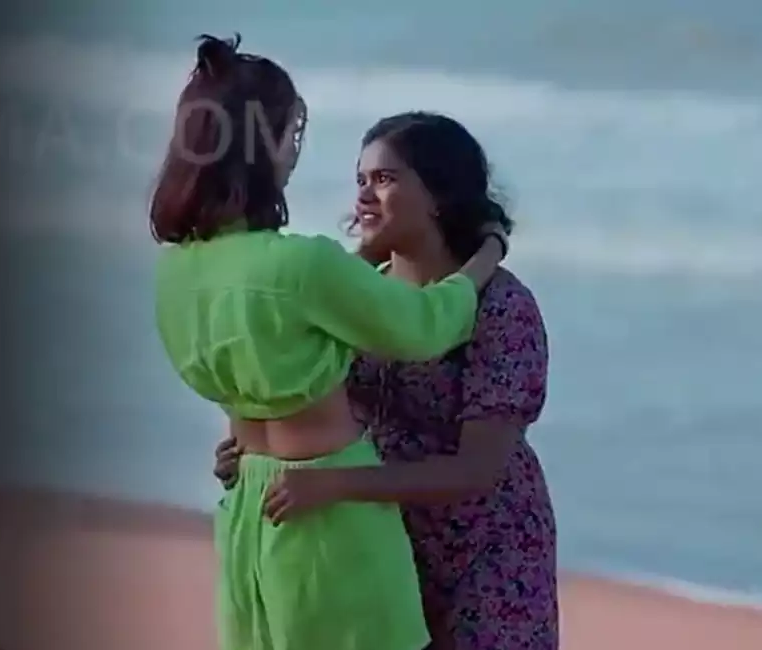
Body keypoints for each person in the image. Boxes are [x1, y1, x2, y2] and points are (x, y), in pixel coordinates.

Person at [151, 35, 511, 650]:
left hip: (248, 513)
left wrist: (362, 258)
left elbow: (276, 332)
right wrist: (487, 254)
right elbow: (425, 326)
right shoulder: (302, 266)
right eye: (291, 134)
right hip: (329, 520)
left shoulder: (178, 271)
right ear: (261, 144)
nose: (294, 152)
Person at [213, 111, 557, 650]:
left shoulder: (501, 307)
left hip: (485, 557)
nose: (364, 195)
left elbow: (478, 470)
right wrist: (250, 449)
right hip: (381, 543)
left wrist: (335, 485)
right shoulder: (357, 294)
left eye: (385, 178)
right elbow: (291, 386)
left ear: (438, 194)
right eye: (360, 180)